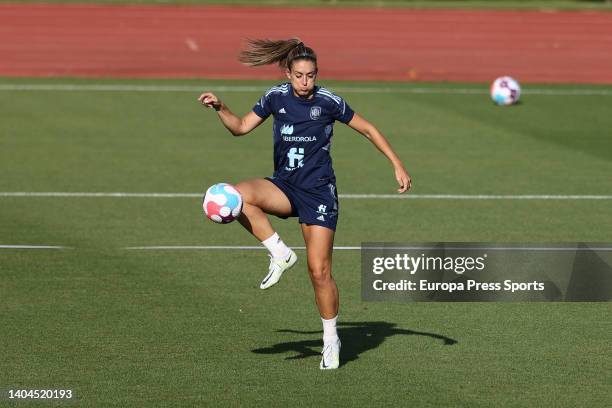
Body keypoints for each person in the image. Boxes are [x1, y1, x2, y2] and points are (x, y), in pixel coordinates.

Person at [198, 38, 411, 370]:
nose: (305, 82)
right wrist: (220, 107)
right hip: (284, 186)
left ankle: (330, 341)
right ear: (288, 72)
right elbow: (240, 128)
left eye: (311, 75)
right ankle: (279, 252)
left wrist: (396, 163)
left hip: (319, 194)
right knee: (236, 195)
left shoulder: (328, 101)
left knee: (320, 272)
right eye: (299, 75)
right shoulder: (275, 97)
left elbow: (367, 128)